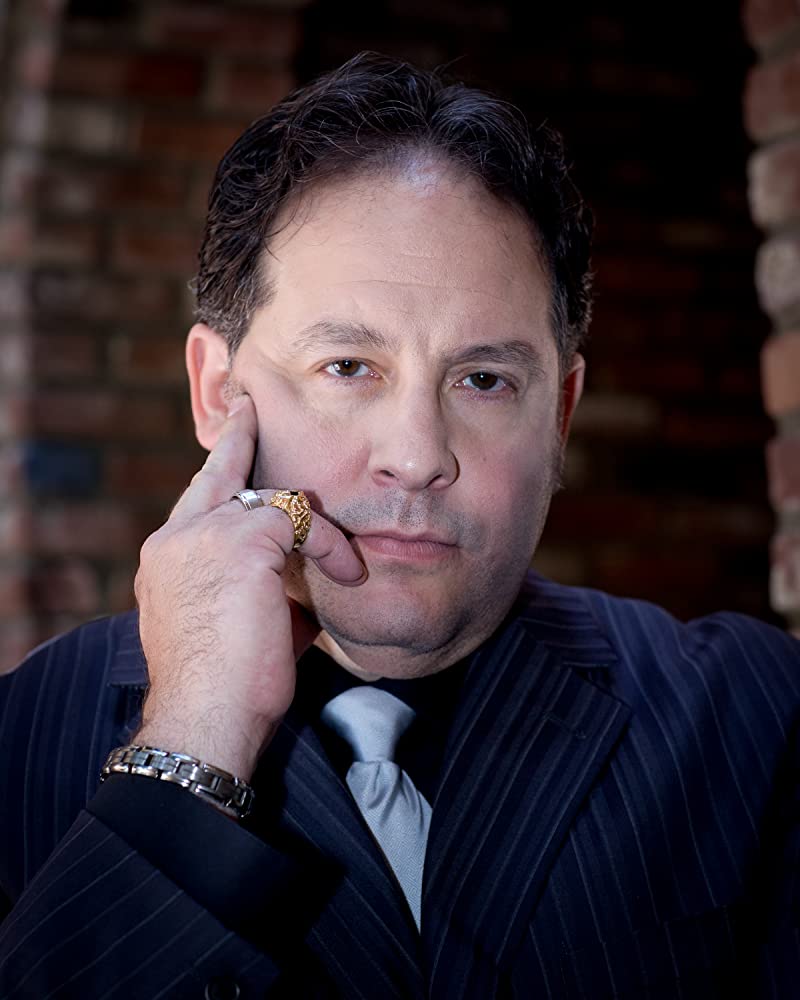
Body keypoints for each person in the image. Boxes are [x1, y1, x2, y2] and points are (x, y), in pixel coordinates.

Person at [0, 51, 798, 1000]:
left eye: (484, 380)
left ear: (561, 414)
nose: (418, 455)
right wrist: (192, 742)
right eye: (348, 367)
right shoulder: (18, 741)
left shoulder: (755, 716)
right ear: (217, 393)